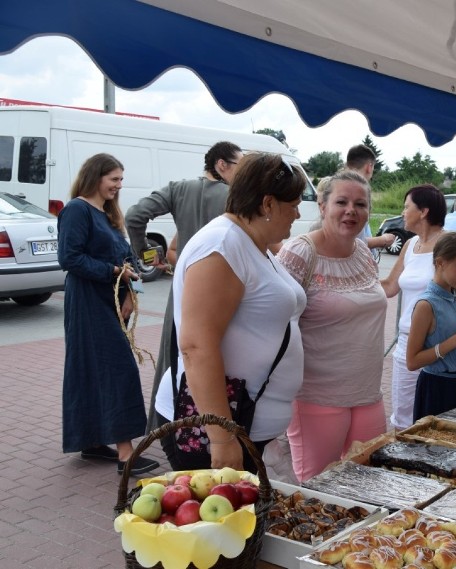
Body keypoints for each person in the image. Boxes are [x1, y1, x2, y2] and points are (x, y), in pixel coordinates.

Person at [153, 152, 307, 471]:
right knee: (221, 522)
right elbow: (197, 346)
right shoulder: (222, 245)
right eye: (293, 205)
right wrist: (222, 438)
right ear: (267, 204)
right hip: (220, 429)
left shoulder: (248, 242)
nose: (297, 213)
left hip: (245, 423)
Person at [276, 170, 388, 482]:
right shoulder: (300, 252)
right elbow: (278, 323)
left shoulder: (364, 250)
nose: (352, 210)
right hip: (317, 396)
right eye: (342, 201)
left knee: (368, 484)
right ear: (323, 207)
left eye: (360, 204)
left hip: (368, 393)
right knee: (319, 488)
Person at [125, 141, 243, 432]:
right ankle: (216, 428)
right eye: (239, 166)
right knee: (221, 357)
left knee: (173, 357)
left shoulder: (178, 189)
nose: (242, 174)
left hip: (183, 289)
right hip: (224, 292)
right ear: (222, 164)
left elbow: (134, 215)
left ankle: (164, 426)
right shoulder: (237, 197)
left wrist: (145, 254)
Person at [57, 153, 160, 476]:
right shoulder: (77, 209)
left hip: (110, 298)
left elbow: (125, 255)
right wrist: (113, 271)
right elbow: (70, 258)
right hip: (88, 300)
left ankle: (90, 440)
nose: (119, 185)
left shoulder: (107, 212)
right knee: (118, 369)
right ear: (95, 177)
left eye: (120, 179)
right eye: (114, 179)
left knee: (90, 368)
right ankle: (125, 454)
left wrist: (131, 288)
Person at [381, 184, 447, 430]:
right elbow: (389, 286)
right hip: (405, 344)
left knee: (432, 420)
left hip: (436, 344)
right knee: (402, 419)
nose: (403, 212)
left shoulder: (448, 243)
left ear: (423, 211)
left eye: (406, 207)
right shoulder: (410, 245)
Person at [408, 232, 456, 420]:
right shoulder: (426, 305)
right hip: (437, 390)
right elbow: (412, 361)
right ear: (440, 262)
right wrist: (455, 341)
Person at [345, 143, 395, 252]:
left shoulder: (335, 188)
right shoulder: (358, 190)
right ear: (369, 166)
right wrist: (382, 240)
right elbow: (352, 240)